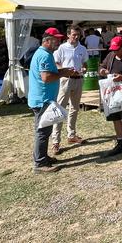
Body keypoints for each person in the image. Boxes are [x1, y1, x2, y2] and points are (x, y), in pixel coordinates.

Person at [27, 27, 80, 174]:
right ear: (47, 40)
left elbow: (50, 73)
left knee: (45, 130)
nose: (58, 42)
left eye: (58, 39)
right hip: (42, 100)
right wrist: (63, 73)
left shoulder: (45, 53)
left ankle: (43, 158)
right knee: (42, 132)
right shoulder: (44, 55)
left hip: (44, 99)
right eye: (55, 39)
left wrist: (63, 71)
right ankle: (39, 163)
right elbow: (46, 77)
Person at [51, 26, 89, 152]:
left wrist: (83, 69)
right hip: (65, 80)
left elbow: (85, 64)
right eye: (74, 34)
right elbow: (56, 63)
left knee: (74, 109)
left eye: (78, 34)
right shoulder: (61, 48)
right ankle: (55, 141)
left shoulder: (82, 48)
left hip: (78, 80)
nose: (76, 37)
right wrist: (65, 71)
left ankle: (71, 135)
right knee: (60, 109)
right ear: (68, 35)